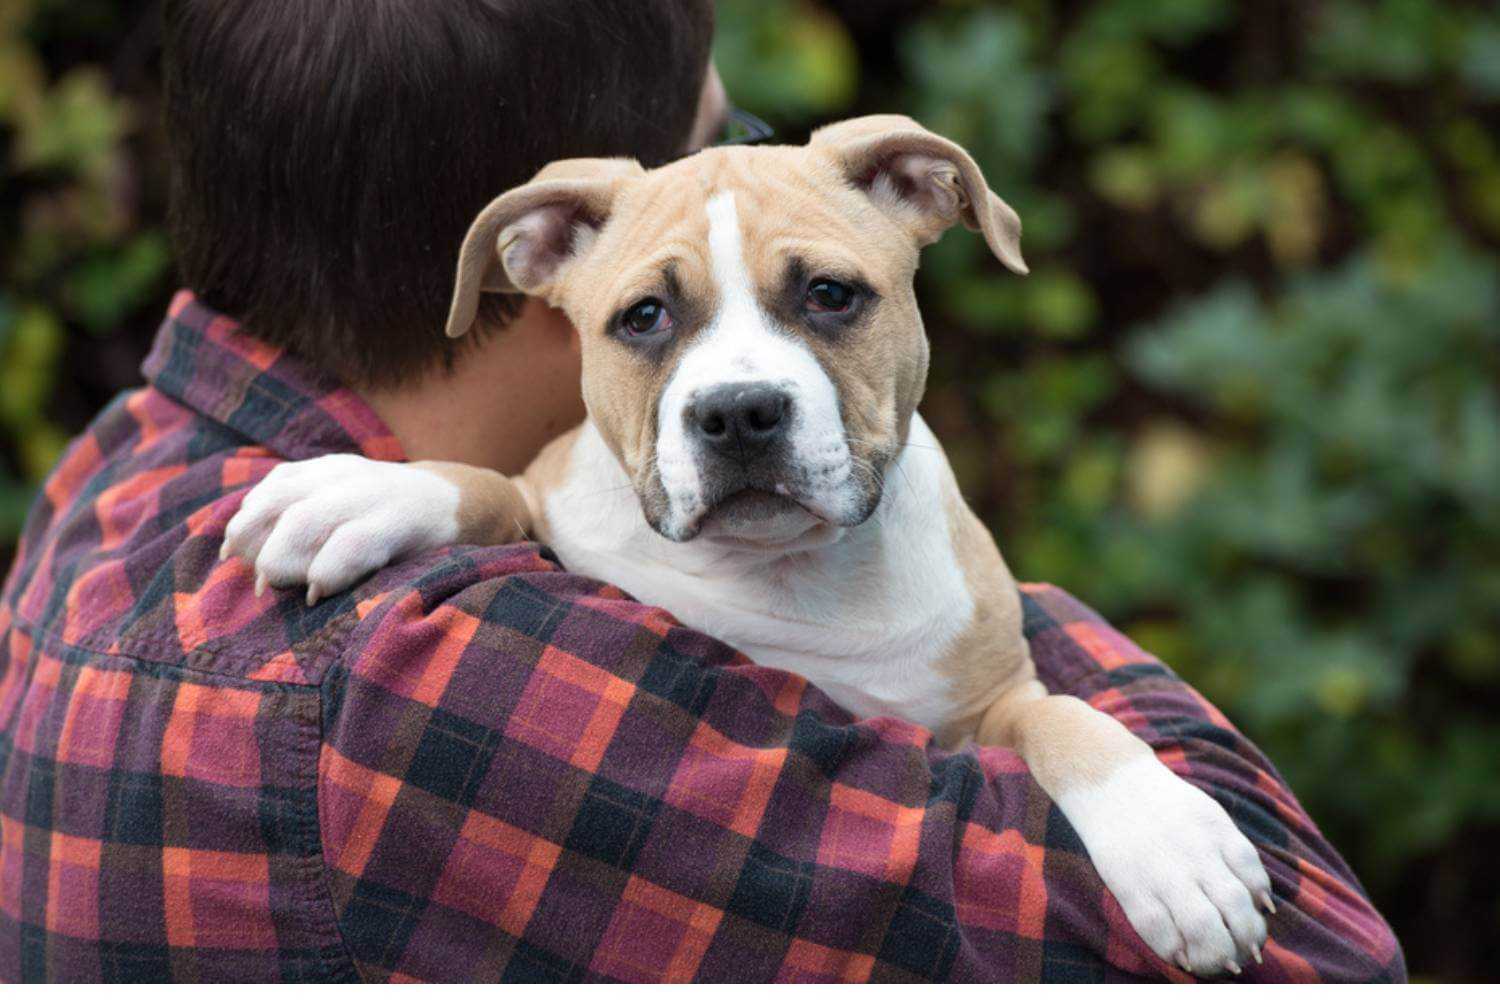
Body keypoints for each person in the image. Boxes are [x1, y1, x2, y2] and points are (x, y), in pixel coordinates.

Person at [0, 0, 1403, 983]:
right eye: (712, 155)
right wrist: (973, 582)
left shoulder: (125, 475)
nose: (743, 374)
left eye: (819, 292)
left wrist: (466, 494)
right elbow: (1315, 961)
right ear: (535, 243)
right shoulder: (444, 684)